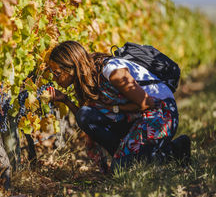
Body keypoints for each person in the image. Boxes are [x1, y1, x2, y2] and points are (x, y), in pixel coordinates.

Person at [47, 40, 190, 172]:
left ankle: (175, 149)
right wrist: (65, 100)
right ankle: (123, 156)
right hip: (135, 117)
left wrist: (115, 109)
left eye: (57, 73)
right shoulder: (89, 78)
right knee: (85, 114)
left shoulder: (112, 71)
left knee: (121, 168)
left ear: (71, 67)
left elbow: (147, 103)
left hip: (161, 113)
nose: (54, 78)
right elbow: (84, 118)